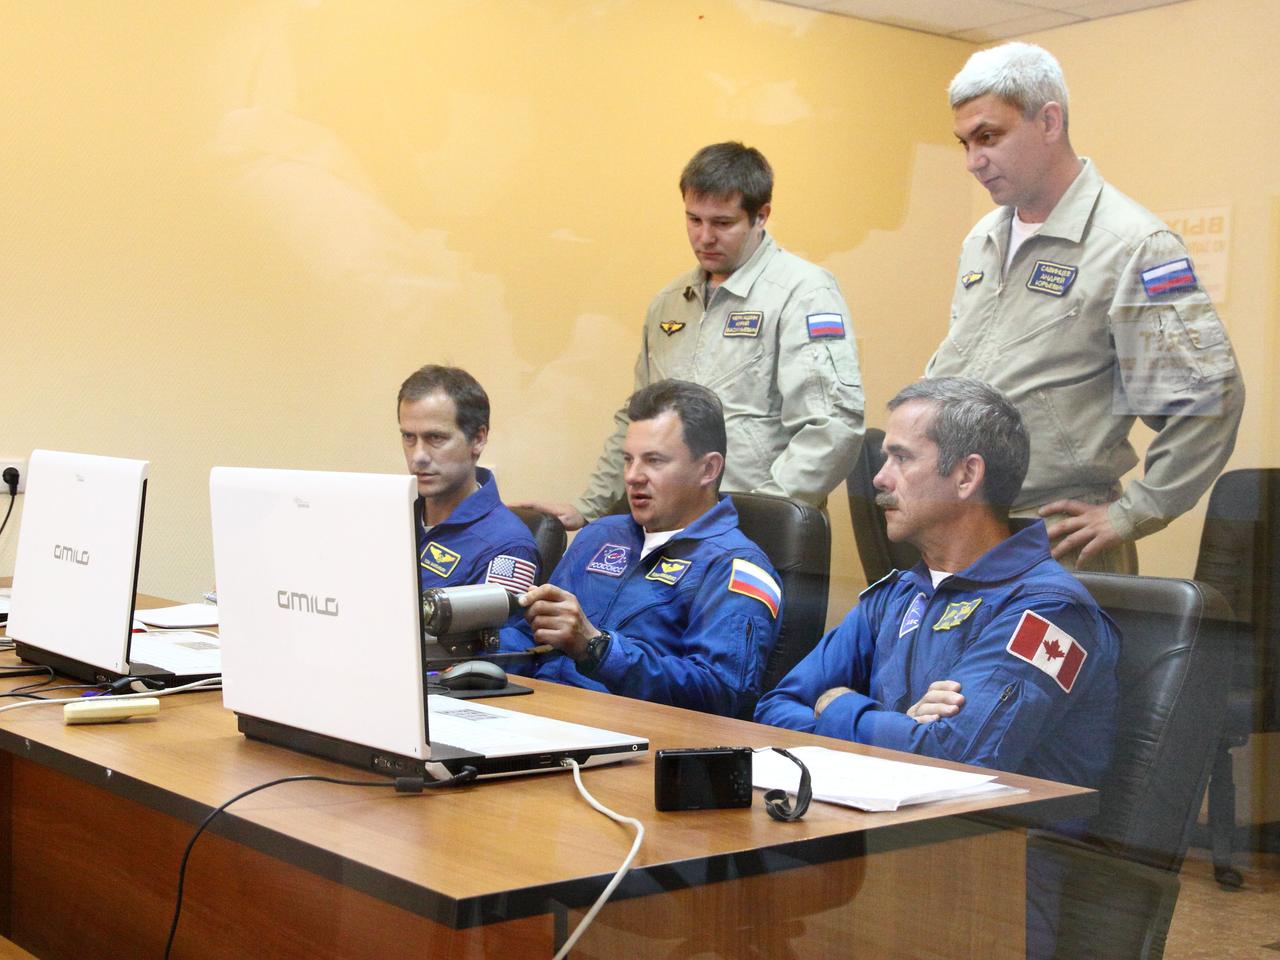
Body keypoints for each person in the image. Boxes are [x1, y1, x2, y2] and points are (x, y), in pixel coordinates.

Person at [754, 377, 1119, 960]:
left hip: (988, 885)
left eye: (901, 457)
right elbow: (774, 708)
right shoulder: (898, 593)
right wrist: (902, 724)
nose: (878, 477)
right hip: (871, 849)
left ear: (967, 475)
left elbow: (959, 758)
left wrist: (840, 705)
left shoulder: (1048, 610)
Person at [927, 42, 1244, 572]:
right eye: (964, 143)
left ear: (1049, 121)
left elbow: (1206, 399)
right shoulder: (984, 237)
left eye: (989, 137)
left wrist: (1134, 512)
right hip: (964, 528)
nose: (973, 161)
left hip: (1057, 541)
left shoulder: (1133, 245)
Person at [518, 141, 864, 529]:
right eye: (694, 220)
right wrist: (590, 506)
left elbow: (832, 425)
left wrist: (766, 513)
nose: (704, 237)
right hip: (668, 529)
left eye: (722, 223)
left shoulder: (803, 293)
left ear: (761, 216)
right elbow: (636, 421)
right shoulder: (669, 303)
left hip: (754, 529)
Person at [502, 380, 782, 717]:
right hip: (534, 714)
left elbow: (723, 695)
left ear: (708, 469)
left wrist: (597, 648)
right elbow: (526, 637)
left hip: (631, 741)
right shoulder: (601, 535)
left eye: (654, 461)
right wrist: (466, 662)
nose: (633, 476)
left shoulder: (736, 565)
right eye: (628, 460)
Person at [397, 365, 540, 596]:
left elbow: (495, 633)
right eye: (408, 437)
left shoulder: (507, 546)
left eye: (436, 437)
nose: (418, 456)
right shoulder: (389, 519)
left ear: (478, 439)